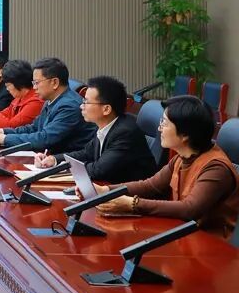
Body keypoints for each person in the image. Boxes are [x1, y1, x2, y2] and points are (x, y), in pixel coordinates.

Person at [96, 96, 239, 238]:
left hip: (211, 243)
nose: (159, 129)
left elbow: (189, 208)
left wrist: (133, 204)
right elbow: (150, 186)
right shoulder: (181, 158)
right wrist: (107, 190)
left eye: (164, 123)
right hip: (183, 233)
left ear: (185, 134)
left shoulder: (216, 168)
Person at [35, 76, 156, 183]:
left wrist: (63, 169)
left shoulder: (125, 132)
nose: (81, 106)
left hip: (129, 196)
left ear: (106, 109)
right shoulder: (106, 124)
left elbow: (98, 170)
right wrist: (54, 159)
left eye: (86, 102)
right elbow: (85, 153)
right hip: (107, 188)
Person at [0, 57, 93, 153]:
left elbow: (44, 139)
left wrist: (5, 139)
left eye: (37, 83)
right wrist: (3, 132)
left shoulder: (69, 106)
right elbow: (34, 128)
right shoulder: (51, 100)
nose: (34, 87)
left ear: (54, 82)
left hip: (67, 164)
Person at [0, 60, 43, 129]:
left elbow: (10, 126)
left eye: (8, 85)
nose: (7, 89)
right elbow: (2, 115)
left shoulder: (35, 102)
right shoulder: (18, 98)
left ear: (19, 83)